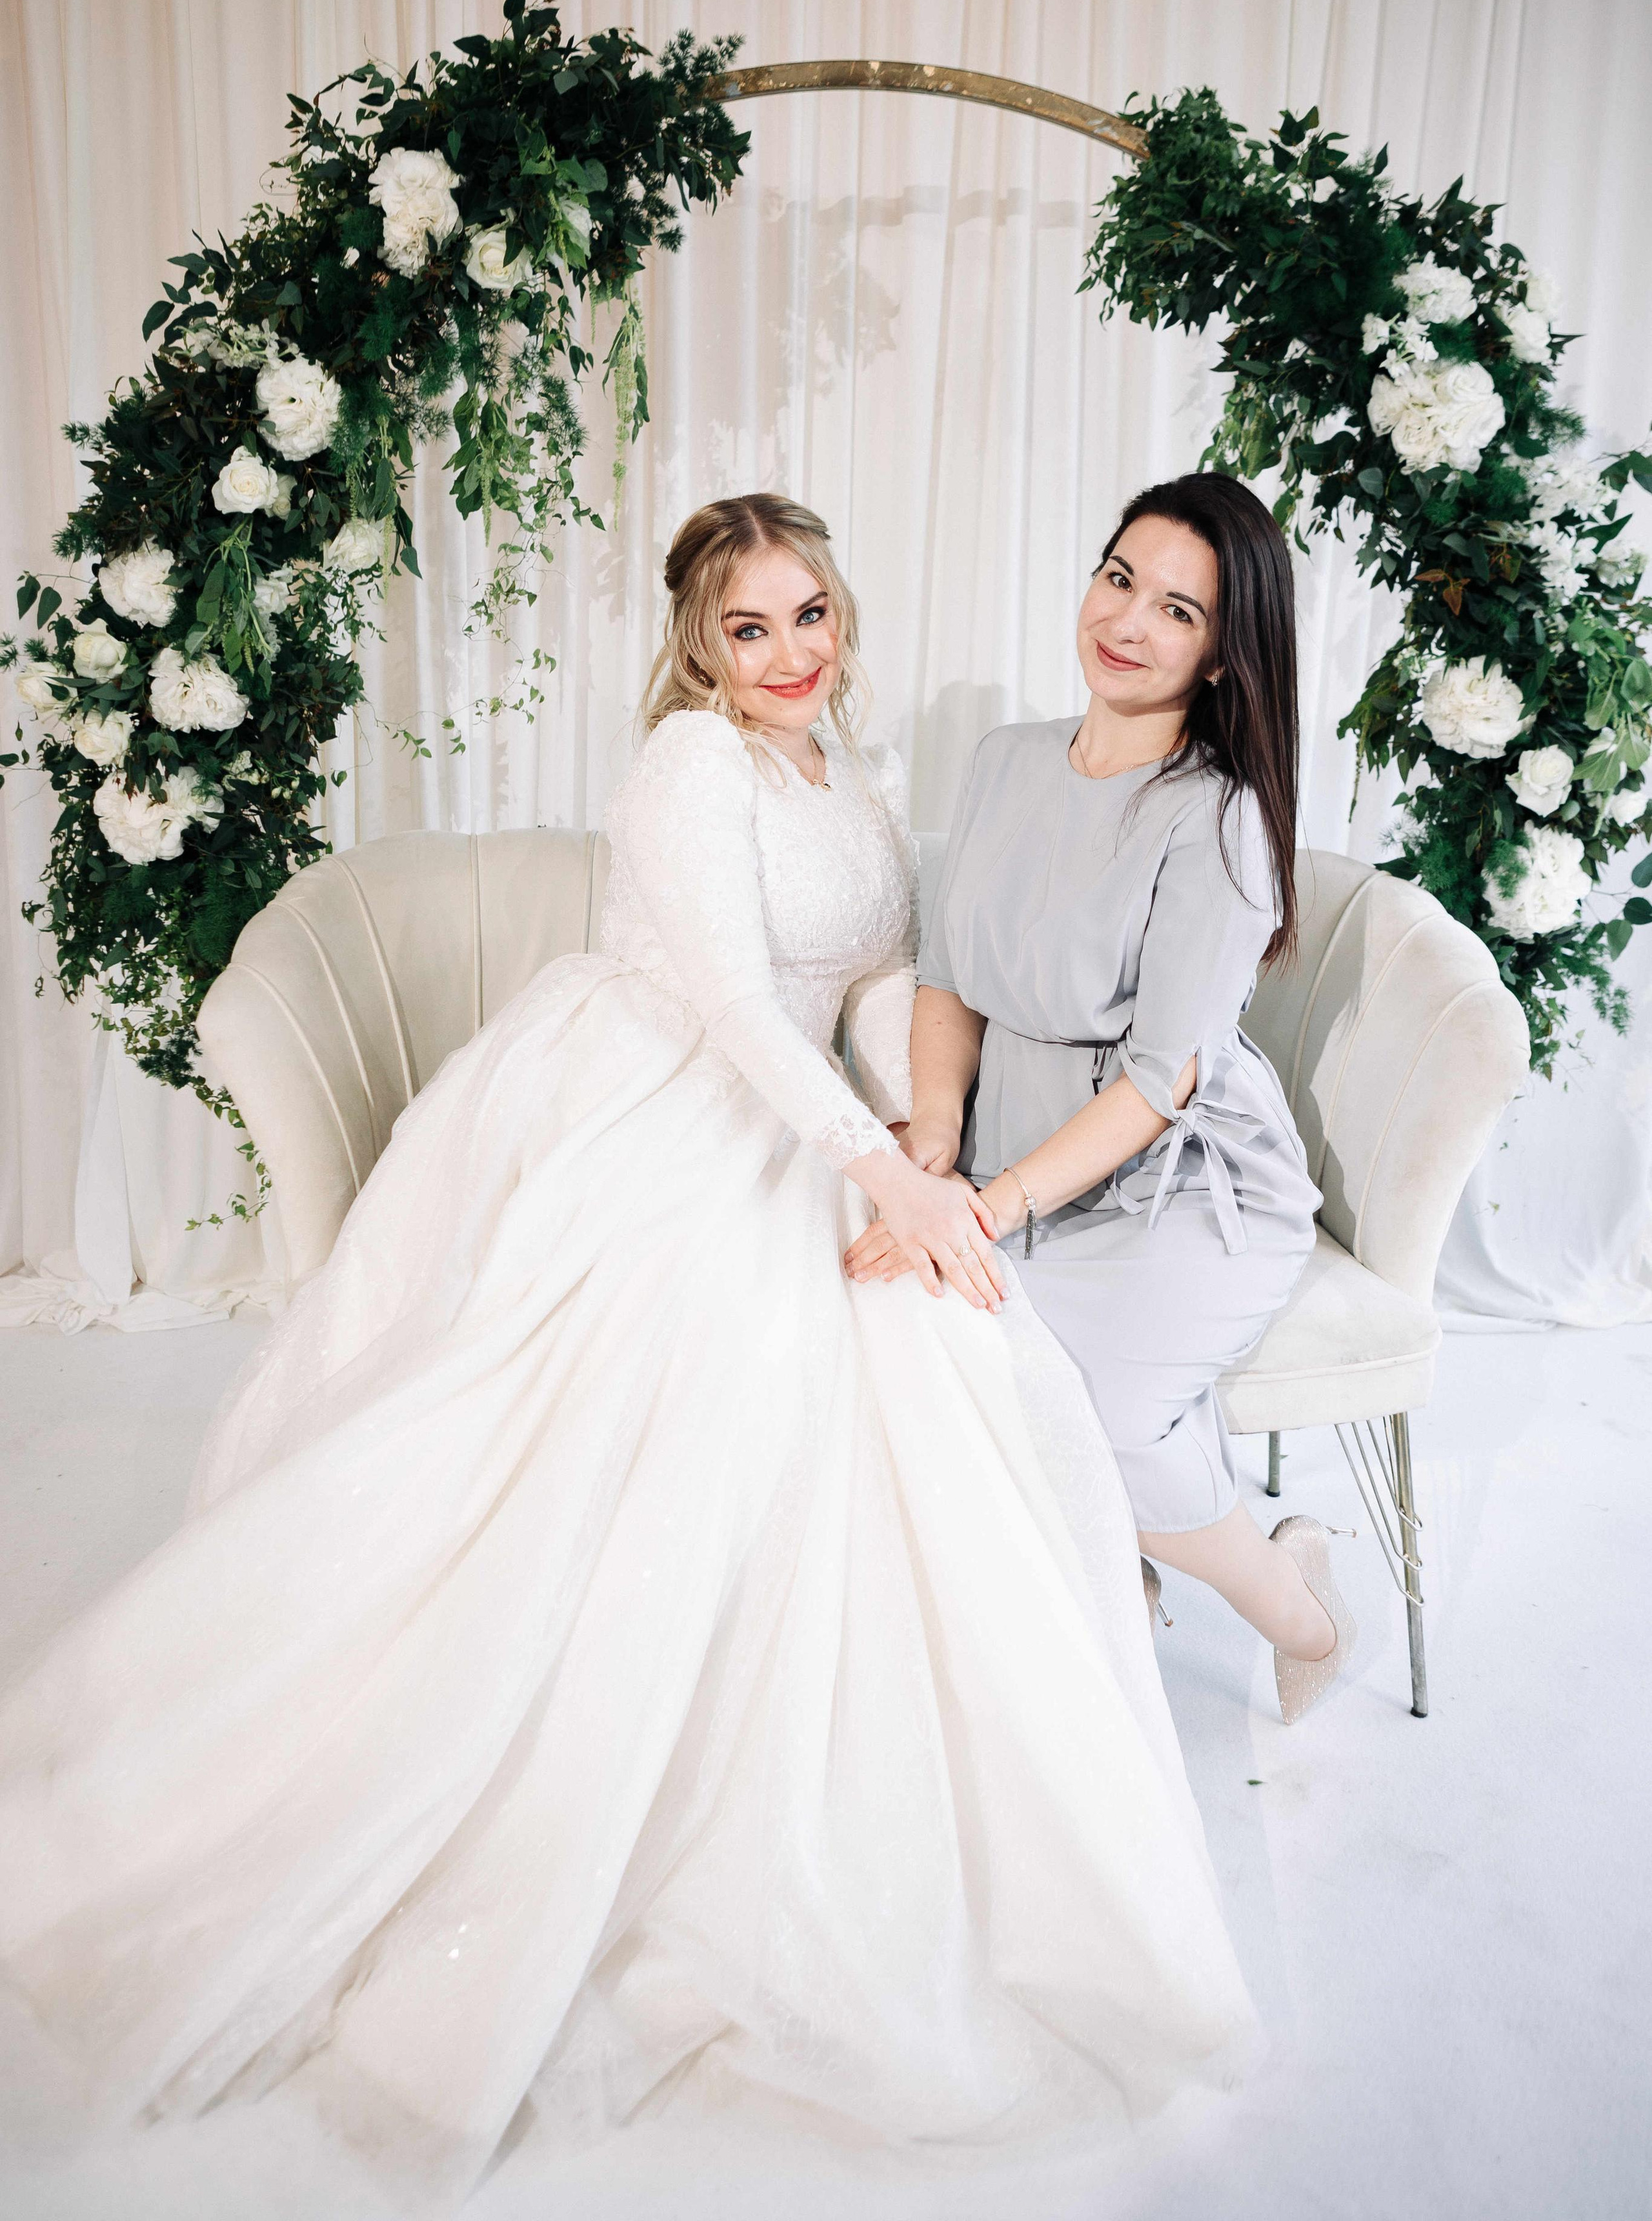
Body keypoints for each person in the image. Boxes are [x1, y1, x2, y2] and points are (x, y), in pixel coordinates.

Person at [0, 494, 1253, 2210]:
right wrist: (885, 1164)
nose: (792, 653)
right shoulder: (694, 772)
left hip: (801, 1120)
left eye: (810, 613)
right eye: (751, 630)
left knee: (917, 1352)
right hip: (657, 1108)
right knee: (668, 1402)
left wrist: (921, 1130)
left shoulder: (841, 767)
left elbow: (883, 969)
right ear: (695, 647)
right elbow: (740, 1011)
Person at [845, 472, 1355, 1724]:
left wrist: (988, 1210)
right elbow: (950, 978)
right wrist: (929, 1150)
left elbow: (1155, 1080)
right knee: (903, 1328)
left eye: (1177, 610)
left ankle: (1299, 1608)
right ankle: (1102, 1584)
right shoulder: (1003, 761)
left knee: (1106, 1409)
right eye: (1118, 578)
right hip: (1015, 1143)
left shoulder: (1216, 819)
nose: (1126, 622)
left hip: (1177, 1178)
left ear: (1225, 657)